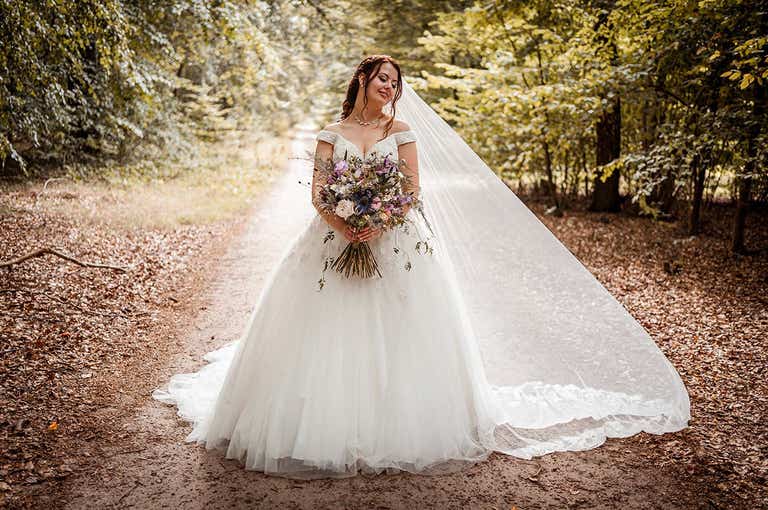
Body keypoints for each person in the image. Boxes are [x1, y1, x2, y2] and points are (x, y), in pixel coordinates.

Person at [153, 55, 691, 480]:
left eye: (395, 82)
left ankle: (400, 427)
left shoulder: (402, 131)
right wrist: (344, 225)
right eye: (383, 79)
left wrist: (378, 224)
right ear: (363, 79)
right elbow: (318, 191)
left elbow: (411, 191)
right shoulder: (329, 134)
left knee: (403, 331)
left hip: (396, 241)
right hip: (332, 236)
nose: (389, 87)